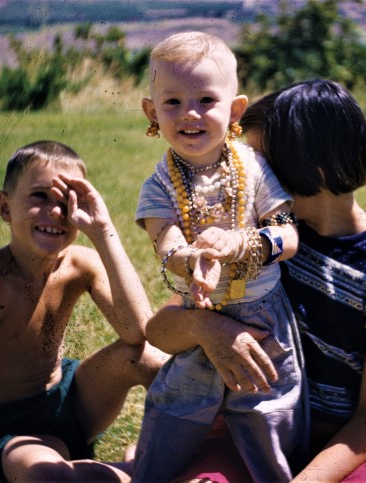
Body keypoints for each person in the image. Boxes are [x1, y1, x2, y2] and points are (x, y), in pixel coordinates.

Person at [145, 79, 366, 482]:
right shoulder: (255, 243)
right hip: (249, 433)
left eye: (258, 166)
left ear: (314, 170)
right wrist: (208, 327)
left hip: (341, 451)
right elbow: (159, 331)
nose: (242, 179)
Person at [0, 140, 165, 482]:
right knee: (48, 475)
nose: (56, 212)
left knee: (149, 358)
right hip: (15, 427)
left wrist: (103, 231)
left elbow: (137, 332)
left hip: (74, 400)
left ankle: (168, 451)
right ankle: (134, 470)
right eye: (40, 196)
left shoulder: (80, 263)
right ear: (4, 207)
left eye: (69, 201)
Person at [132, 31, 305, 482]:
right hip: (198, 313)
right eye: (172, 102)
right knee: (176, 410)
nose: (189, 113)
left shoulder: (254, 167)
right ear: (152, 113)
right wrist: (192, 261)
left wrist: (243, 242)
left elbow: (289, 236)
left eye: (206, 99)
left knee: (267, 412)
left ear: (235, 110)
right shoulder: (160, 185)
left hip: (264, 317)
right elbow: (165, 244)